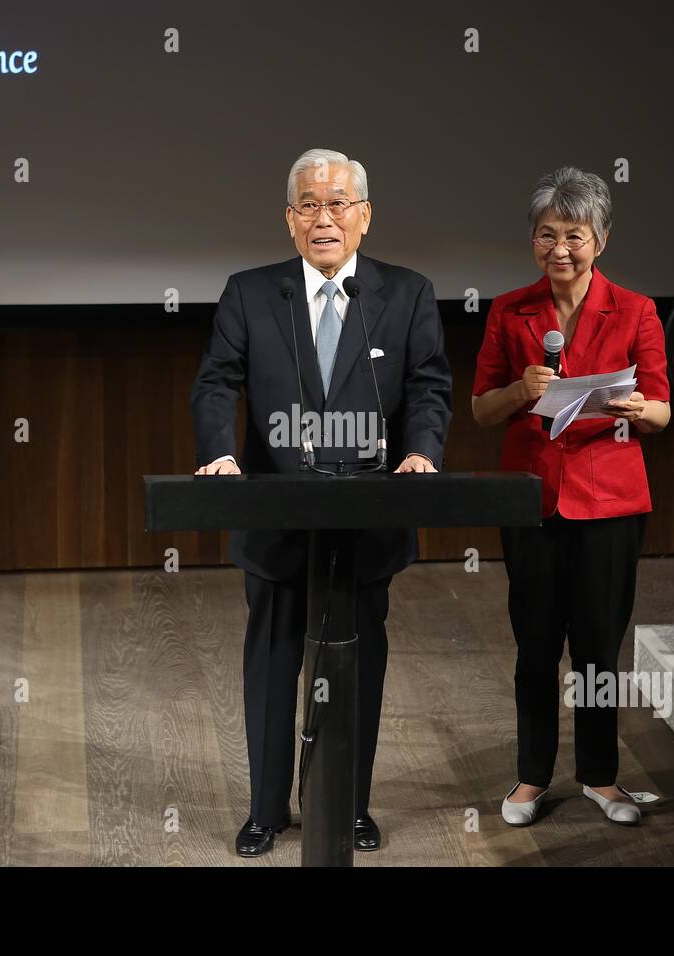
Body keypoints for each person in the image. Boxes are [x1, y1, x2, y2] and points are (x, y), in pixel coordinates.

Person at [190, 148, 452, 856]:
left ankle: (348, 802)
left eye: (338, 204)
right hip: (277, 515)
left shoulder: (406, 294)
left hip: (367, 519)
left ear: (365, 217)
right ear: (289, 220)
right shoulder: (250, 293)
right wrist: (221, 453)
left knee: (358, 668)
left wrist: (422, 450)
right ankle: (265, 809)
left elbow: (428, 386)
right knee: (274, 667)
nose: (324, 218)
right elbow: (218, 383)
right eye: (309, 204)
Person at [471, 166, 671, 827]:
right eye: (547, 234)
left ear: (601, 239)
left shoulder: (637, 310)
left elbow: (664, 411)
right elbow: (480, 411)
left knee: (597, 647)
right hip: (531, 501)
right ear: (533, 240)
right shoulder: (509, 310)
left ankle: (600, 778)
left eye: (575, 235)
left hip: (610, 502)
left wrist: (638, 406)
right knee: (534, 644)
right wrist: (521, 391)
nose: (560, 248)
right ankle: (531, 777)